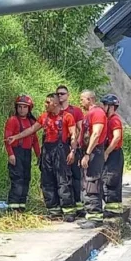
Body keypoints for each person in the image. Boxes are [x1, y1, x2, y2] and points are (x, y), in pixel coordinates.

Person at [7, 94, 78, 221]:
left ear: (55, 104)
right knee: (47, 182)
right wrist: (16, 137)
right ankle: (54, 211)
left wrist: (72, 151)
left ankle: (69, 211)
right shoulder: (44, 117)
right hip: (47, 153)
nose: (45, 104)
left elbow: (74, 135)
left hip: (61, 153)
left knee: (63, 181)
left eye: (47, 102)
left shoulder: (67, 117)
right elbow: (31, 130)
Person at [3, 95, 41, 211]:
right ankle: (13, 208)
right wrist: (10, 154)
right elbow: (7, 138)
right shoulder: (12, 120)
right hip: (16, 153)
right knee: (17, 179)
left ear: (29, 109)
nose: (22, 109)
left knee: (26, 178)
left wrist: (39, 155)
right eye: (19, 107)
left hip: (27, 153)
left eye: (25, 107)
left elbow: (34, 141)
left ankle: (21, 207)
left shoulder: (31, 122)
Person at [78, 90, 107, 229]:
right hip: (89, 151)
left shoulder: (97, 113)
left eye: (82, 99)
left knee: (92, 183)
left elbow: (96, 134)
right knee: (87, 184)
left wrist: (88, 153)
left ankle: (95, 218)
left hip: (94, 152)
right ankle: (90, 215)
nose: (80, 102)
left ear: (90, 99)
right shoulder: (89, 114)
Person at [56, 85, 85, 217]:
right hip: (59, 149)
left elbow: (81, 129)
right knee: (62, 178)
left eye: (62, 93)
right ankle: (67, 206)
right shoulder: (55, 111)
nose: (60, 96)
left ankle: (79, 205)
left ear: (68, 95)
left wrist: (75, 147)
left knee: (76, 177)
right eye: (58, 94)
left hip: (73, 147)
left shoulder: (76, 111)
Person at [101, 94, 124, 218]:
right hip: (110, 152)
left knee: (111, 179)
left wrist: (106, 152)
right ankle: (110, 207)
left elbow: (116, 138)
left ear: (111, 107)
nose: (102, 107)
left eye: (104, 104)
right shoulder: (107, 119)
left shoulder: (115, 120)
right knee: (106, 179)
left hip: (114, 153)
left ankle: (113, 210)